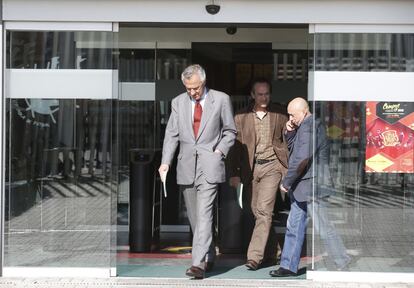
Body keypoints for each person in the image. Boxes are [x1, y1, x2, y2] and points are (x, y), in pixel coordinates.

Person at [158, 64, 236, 279]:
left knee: (204, 214)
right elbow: (171, 134)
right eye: (188, 88)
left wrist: (219, 152)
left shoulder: (221, 99)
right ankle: (209, 255)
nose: (192, 92)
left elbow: (230, 131)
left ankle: (198, 264)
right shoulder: (177, 102)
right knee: (195, 217)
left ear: (204, 81)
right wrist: (166, 162)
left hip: (210, 165)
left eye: (196, 88)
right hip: (186, 166)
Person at [269, 97, 351, 277]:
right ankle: (288, 266)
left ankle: (342, 259)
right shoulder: (303, 126)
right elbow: (295, 149)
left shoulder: (310, 126)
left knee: (322, 226)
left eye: (292, 115)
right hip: (304, 186)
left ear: (304, 112)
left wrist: (287, 181)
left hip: (312, 185)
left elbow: (301, 159)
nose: (290, 118)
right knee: (294, 226)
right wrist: (290, 133)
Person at [227, 78, 289, 270]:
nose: (264, 97)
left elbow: (288, 141)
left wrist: (288, 170)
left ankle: (254, 256)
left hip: (273, 167)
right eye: (260, 94)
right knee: (257, 212)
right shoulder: (241, 116)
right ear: (252, 95)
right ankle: (274, 251)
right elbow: (234, 148)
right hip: (250, 169)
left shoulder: (279, 113)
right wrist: (233, 173)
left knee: (264, 210)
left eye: (267, 94)